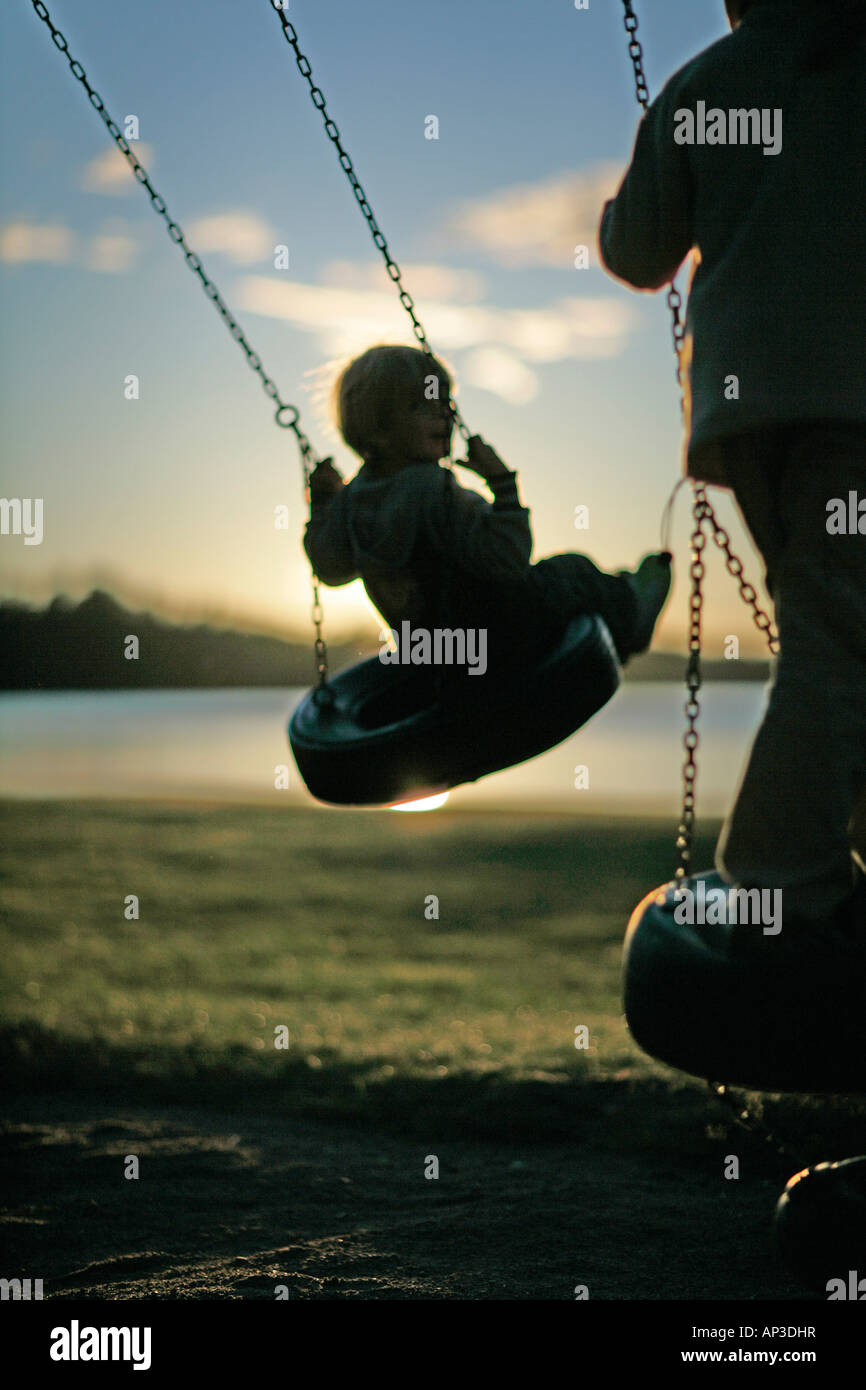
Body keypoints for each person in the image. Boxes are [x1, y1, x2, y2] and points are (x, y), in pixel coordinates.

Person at [598, 0, 866, 932]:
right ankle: (780, 871)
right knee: (842, 627)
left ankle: (826, 848)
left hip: (752, 420)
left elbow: (634, 252)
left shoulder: (706, 85)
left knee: (832, 627)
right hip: (850, 405)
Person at [303, 344, 671, 691]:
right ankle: (630, 614)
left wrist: (322, 503)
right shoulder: (433, 487)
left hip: (435, 653)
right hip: (502, 635)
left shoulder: (350, 502)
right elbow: (508, 560)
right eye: (422, 405)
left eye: (445, 402)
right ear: (379, 430)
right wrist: (503, 485)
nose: (444, 414)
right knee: (572, 571)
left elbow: (330, 570)